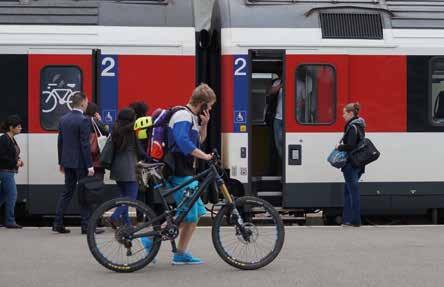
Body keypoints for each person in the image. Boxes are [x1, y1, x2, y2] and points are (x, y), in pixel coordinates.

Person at [167, 83, 216, 265]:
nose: (210, 109)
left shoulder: (193, 118)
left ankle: (180, 253)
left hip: (187, 169)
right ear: (202, 103)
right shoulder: (182, 115)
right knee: (187, 213)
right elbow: (182, 141)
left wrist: (204, 124)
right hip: (178, 169)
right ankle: (148, 239)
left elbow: (198, 141)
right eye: (209, 105)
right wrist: (204, 156)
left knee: (194, 214)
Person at [53, 92, 98, 234]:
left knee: (67, 192)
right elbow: (84, 144)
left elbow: (60, 143)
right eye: (87, 102)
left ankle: (57, 223)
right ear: (83, 102)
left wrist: (61, 162)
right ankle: (86, 226)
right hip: (80, 163)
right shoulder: (83, 120)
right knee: (83, 194)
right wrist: (89, 165)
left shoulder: (63, 119)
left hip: (67, 162)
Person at [109, 108, 148, 225]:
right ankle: (115, 216)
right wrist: (149, 157)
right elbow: (140, 150)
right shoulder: (131, 131)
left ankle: (127, 224)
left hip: (117, 168)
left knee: (123, 197)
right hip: (129, 168)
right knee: (131, 199)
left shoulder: (115, 130)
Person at [336, 103, 366, 227]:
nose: (343, 116)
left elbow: (351, 146)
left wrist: (339, 146)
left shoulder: (352, 127)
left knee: (352, 192)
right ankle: (347, 220)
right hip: (358, 163)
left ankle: (355, 221)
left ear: (351, 113)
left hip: (351, 164)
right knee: (348, 192)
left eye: (344, 113)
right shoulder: (359, 125)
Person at [0, 115, 24, 229]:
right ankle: (9, 221)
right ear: (11, 127)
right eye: (18, 126)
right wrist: (15, 162)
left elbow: (12, 154)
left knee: (3, 196)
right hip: (5, 171)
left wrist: (18, 160)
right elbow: (2, 157)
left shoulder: (11, 139)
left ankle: (9, 220)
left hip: (9, 171)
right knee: (12, 195)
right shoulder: (4, 139)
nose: (21, 128)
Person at [85, 102, 109, 180]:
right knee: (97, 180)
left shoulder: (81, 120)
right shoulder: (95, 121)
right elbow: (106, 132)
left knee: (84, 180)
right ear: (95, 112)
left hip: (84, 158)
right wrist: (100, 120)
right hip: (96, 159)